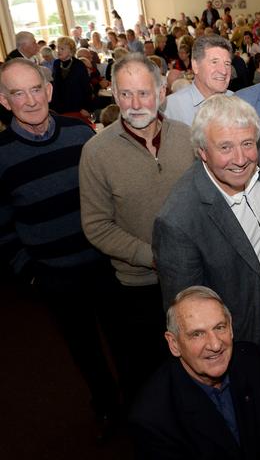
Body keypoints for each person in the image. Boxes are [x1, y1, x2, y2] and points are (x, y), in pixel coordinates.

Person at [0, 58, 120, 437]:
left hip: (104, 263)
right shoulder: (1, 156)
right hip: (54, 275)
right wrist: (30, 272)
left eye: (36, 89)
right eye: (18, 93)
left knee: (123, 339)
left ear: (49, 91)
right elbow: (2, 226)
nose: (31, 100)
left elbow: (107, 196)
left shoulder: (80, 134)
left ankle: (142, 407)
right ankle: (107, 408)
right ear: (5, 102)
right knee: (84, 348)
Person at [79, 53, 195, 405]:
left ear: (161, 93)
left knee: (195, 370)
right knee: (148, 379)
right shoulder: (96, 153)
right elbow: (96, 226)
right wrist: (154, 257)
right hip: (136, 289)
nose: (135, 103)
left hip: (193, 280)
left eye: (144, 93)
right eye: (126, 94)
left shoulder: (189, 138)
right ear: (113, 94)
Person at [153, 95, 260, 379]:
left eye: (247, 144)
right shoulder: (178, 220)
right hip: (237, 323)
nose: (240, 159)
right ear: (202, 151)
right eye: (225, 147)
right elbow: (185, 311)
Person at [130, 285, 260, 460]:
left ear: (232, 329)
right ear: (174, 344)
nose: (215, 345)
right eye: (197, 334)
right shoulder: (153, 418)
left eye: (220, 327)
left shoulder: (252, 361)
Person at [163, 34, 233, 126]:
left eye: (227, 63)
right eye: (214, 62)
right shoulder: (171, 108)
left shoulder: (236, 101)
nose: (224, 71)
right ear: (195, 66)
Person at [50, 36, 93, 121]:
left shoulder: (79, 65)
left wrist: (86, 108)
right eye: (58, 48)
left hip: (77, 108)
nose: (58, 51)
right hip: (59, 109)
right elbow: (56, 86)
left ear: (70, 51)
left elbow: (86, 88)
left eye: (62, 49)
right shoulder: (56, 63)